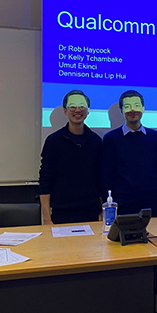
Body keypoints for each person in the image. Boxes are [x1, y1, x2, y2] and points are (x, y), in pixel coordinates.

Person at [101, 90, 157, 217]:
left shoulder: (155, 137)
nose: (132, 110)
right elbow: (106, 175)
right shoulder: (111, 139)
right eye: (127, 107)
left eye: (136, 106)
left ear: (143, 109)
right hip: (123, 204)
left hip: (153, 203)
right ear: (121, 111)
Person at [39, 90, 102, 224]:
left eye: (82, 106)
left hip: (91, 211)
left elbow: (100, 177)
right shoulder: (53, 141)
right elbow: (45, 179)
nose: (77, 110)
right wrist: (46, 217)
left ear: (88, 110)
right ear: (65, 111)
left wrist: (102, 211)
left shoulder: (96, 141)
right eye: (72, 106)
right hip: (62, 212)